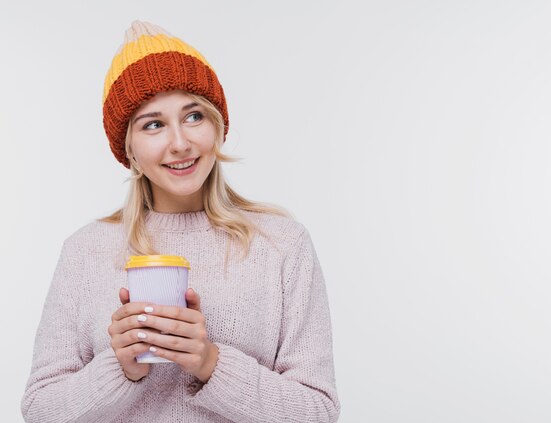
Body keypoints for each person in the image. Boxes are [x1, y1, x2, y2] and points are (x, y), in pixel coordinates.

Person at [21, 20, 340, 423]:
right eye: (153, 124)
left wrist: (211, 363)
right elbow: (40, 409)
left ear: (218, 126)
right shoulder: (85, 250)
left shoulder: (281, 243)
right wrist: (121, 368)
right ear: (129, 149)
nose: (180, 142)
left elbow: (318, 411)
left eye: (193, 116)